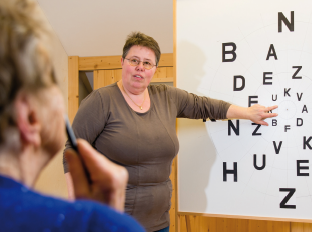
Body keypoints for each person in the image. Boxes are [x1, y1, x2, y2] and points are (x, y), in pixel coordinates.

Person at [63, 32, 278, 231]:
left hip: (159, 220)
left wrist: (248, 113)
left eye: (147, 63)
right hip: (114, 220)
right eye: (134, 60)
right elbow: (72, 150)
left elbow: (205, 106)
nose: (140, 67)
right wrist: (78, 204)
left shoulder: (167, 97)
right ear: (122, 62)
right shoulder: (101, 101)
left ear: (154, 69)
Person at [0, 0, 145, 231]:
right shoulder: (93, 224)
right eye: (50, 80)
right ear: (30, 117)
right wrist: (104, 222)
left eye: (147, 63)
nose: (141, 67)